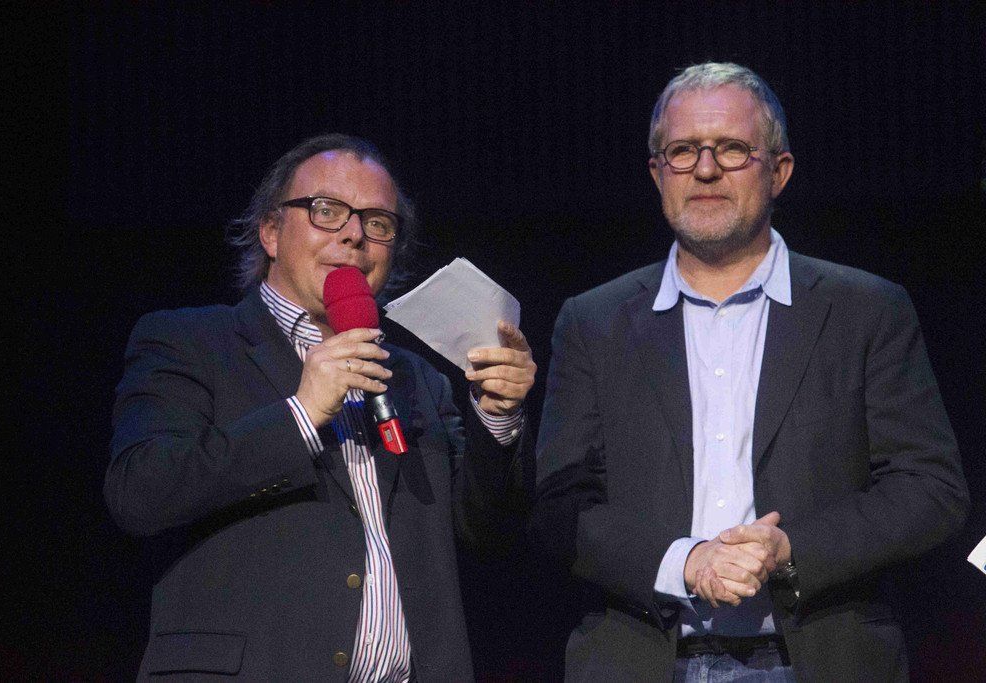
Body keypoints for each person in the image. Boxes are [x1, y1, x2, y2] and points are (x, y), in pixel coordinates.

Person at [533, 63, 968, 681]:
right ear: (657, 173)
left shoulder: (866, 309)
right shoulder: (593, 321)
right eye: (683, 151)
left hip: (820, 658)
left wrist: (791, 552)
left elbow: (931, 489)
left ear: (779, 172)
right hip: (642, 661)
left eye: (733, 149)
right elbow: (558, 507)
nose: (706, 169)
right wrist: (684, 563)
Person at [106, 134, 536, 680]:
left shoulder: (419, 380)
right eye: (326, 210)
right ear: (270, 231)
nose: (354, 234)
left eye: (377, 222)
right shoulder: (190, 342)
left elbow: (486, 535)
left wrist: (497, 417)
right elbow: (140, 493)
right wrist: (302, 414)